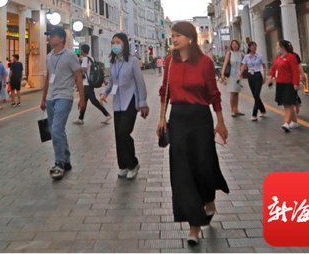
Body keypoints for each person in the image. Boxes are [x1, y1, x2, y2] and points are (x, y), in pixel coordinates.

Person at [157, 21, 229, 246]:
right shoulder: (169, 62)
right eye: (172, 36)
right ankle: (194, 225)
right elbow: (164, 92)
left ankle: (209, 198)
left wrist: (221, 122)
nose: (174, 40)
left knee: (203, 165)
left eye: (178, 35)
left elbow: (213, 93)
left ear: (190, 38)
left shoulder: (205, 63)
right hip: (177, 119)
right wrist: (162, 118)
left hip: (200, 119)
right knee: (182, 172)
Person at [99, 34, 149, 179]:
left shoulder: (133, 61)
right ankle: (124, 166)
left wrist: (143, 103)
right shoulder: (113, 63)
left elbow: (140, 82)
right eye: (113, 42)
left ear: (124, 44)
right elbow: (112, 83)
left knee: (123, 132)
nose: (115, 45)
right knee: (118, 135)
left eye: (118, 42)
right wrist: (104, 93)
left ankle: (133, 164)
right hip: (117, 103)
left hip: (130, 101)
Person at [41, 26, 86, 180]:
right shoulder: (48, 57)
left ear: (61, 38)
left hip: (65, 96)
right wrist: (43, 98)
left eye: (52, 36)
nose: (49, 39)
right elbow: (48, 78)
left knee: (56, 128)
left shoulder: (70, 56)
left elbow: (78, 77)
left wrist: (82, 98)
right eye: (49, 36)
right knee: (56, 130)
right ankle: (66, 160)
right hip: (51, 97)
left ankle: (59, 162)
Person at [74, 44, 112, 125]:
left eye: (80, 49)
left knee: (93, 101)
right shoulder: (90, 58)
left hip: (87, 83)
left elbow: (84, 70)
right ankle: (80, 118)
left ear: (82, 50)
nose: (80, 51)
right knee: (85, 100)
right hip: (90, 82)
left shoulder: (85, 59)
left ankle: (107, 114)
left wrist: (78, 69)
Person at [268, 40, 300, 132]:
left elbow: (295, 71)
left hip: (288, 83)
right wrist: (271, 77)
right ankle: (294, 121)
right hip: (280, 83)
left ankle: (286, 123)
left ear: (282, 47)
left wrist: (296, 83)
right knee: (286, 103)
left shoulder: (291, 57)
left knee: (288, 103)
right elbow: (274, 68)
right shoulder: (278, 57)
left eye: (278, 46)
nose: (276, 48)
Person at [241, 42, 266, 121]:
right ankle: (262, 110)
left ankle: (254, 114)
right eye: (252, 46)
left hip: (258, 75)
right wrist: (240, 75)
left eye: (255, 45)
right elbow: (243, 66)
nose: (254, 47)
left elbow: (264, 66)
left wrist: (264, 76)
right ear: (249, 47)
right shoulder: (246, 57)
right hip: (250, 76)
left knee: (257, 94)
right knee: (255, 95)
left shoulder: (260, 56)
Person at [220, 40, 244, 117]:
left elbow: (242, 64)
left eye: (236, 44)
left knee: (237, 92)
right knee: (232, 92)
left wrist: (241, 73)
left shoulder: (240, 54)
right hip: (231, 75)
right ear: (231, 45)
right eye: (233, 44)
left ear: (238, 45)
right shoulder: (229, 53)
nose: (234, 45)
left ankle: (236, 109)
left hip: (238, 75)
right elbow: (225, 63)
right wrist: (222, 73)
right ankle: (232, 110)